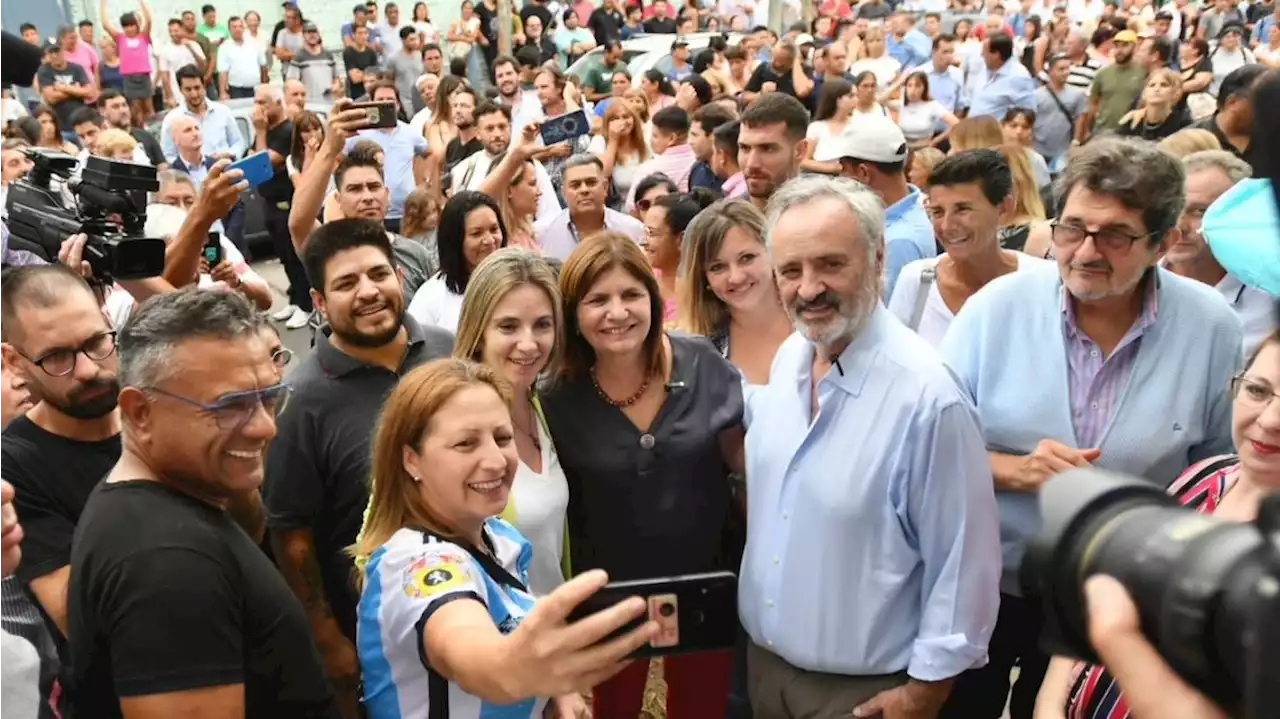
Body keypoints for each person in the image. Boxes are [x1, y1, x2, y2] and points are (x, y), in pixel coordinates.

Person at [937, 137, 1244, 719]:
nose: (1085, 251)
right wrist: (1012, 470)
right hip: (987, 586)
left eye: (1116, 235)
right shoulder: (995, 309)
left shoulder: (1212, 328)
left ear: (1164, 243)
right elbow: (926, 449)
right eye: (1072, 228)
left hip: (1120, 599)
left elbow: (1217, 473)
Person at [742, 175, 1000, 718]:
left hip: (864, 696)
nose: (808, 288)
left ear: (878, 257)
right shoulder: (792, 356)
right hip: (766, 674)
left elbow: (963, 561)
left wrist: (925, 691)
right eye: (791, 270)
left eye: (831, 264)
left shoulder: (929, 399)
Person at [64, 289, 335, 718]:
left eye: (268, 397)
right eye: (231, 407)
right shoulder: (166, 563)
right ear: (139, 412)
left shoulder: (170, 507)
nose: (265, 428)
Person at [351, 358, 659, 718]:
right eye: (466, 443)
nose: (497, 461)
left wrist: (555, 693)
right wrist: (508, 670)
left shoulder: (497, 536)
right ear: (411, 460)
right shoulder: (415, 564)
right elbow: (466, 643)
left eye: (502, 438)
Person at [541, 231, 746, 718]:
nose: (617, 313)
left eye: (631, 295)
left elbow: (745, 466)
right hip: (606, 597)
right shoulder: (555, 396)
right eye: (597, 300)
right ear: (573, 313)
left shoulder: (702, 364)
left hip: (705, 585)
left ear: (653, 299)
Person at [1035, 328, 1280, 719]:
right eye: (1258, 391)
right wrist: (1049, 704)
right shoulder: (1203, 474)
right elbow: (1098, 589)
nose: (1269, 420)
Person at [264, 219, 454, 719]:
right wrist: (329, 642)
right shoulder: (299, 402)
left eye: (378, 274)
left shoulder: (449, 351)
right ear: (319, 301)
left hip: (473, 609)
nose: (369, 292)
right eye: (347, 283)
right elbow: (292, 534)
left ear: (398, 274)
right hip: (378, 643)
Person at [450, 248, 568, 594]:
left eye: (542, 325)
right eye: (508, 326)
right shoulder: (450, 421)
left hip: (556, 633)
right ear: (478, 329)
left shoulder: (541, 406)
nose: (529, 344)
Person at [889, 149, 1049, 347]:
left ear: (1004, 207)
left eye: (963, 209)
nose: (947, 226)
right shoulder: (916, 280)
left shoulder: (1042, 281)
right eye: (937, 212)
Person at [290, 100, 437, 304]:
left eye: (373, 187)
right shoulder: (327, 247)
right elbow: (298, 222)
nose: (367, 197)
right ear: (338, 200)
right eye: (355, 189)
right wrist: (329, 149)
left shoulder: (416, 254)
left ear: (386, 194)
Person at [1166, 150, 1276, 357]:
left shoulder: (1269, 298)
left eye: (1200, 211)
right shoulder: (1132, 279)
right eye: (1174, 209)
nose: (1180, 226)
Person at [816, 117, 935, 301]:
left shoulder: (898, 242)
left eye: (843, 169)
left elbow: (887, 314)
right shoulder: (907, 214)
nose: (840, 177)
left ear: (864, 173)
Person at [677, 199, 792, 385]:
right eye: (718, 267)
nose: (736, 277)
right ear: (704, 278)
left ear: (773, 252)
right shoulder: (701, 354)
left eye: (747, 258)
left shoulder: (815, 321)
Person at [407, 192, 507, 335]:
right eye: (476, 233)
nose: (490, 240)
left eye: (494, 229)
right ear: (455, 240)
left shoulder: (518, 283)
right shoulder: (430, 298)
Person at [342, 82, 429, 234]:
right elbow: (338, 157)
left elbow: (431, 153)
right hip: (372, 212)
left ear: (397, 104)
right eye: (380, 99)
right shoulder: (359, 133)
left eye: (389, 100)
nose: (384, 104)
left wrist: (423, 182)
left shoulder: (409, 132)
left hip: (407, 213)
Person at [534, 155, 644, 260]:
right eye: (575, 185)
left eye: (591, 183)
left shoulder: (633, 231)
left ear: (605, 187)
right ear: (563, 193)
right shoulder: (542, 233)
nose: (584, 190)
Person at [642, 191, 715, 323]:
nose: (644, 242)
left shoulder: (704, 296)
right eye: (645, 232)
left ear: (682, 240)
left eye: (652, 234)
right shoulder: (641, 278)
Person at [738, 93, 809, 211]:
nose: (752, 164)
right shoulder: (722, 224)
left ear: (799, 151)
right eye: (745, 148)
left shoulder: (829, 221)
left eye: (767, 149)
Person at [159, 66, 244, 165]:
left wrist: (228, 154)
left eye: (197, 88)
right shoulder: (172, 119)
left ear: (204, 86)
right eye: (188, 89)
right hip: (192, 178)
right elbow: (168, 155)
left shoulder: (223, 111)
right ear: (180, 90)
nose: (194, 94)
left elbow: (238, 143)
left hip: (225, 171)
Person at [1079, 30, 1145, 141]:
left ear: (1135, 47)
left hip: (1130, 134)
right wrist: (1086, 130)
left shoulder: (1143, 73)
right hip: (1102, 131)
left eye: (1125, 46)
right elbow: (1093, 103)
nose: (1119, 50)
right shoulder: (1103, 73)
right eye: (1117, 46)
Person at [99, 0, 155, 126]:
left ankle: (153, 130)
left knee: (149, 108)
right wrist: (103, 4)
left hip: (144, 76)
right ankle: (139, 129)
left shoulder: (143, 37)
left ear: (136, 26)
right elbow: (105, 25)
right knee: (136, 110)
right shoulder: (120, 38)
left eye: (132, 25)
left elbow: (149, 20)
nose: (129, 29)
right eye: (126, 26)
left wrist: (141, 3)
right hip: (129, 78)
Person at [37, 43, 93, 144]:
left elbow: (89, 92)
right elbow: (51, 97)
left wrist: (63, 88)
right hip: (61, 126)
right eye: (51, 52)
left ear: (63, 51)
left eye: (57, 51)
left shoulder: (76, 68)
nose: (54, 55)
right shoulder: (44, 70)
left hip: (81, 124)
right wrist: (76, 90)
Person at [97, 89, 166, 167]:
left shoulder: (145, 136)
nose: (123, 110)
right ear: (102, 111)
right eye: (115, 107)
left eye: (124, 105)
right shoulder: (101, 143)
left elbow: (162, 165)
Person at [217, 15, 267, 100]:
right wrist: (222, 92)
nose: (237, 29)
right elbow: (223, 72)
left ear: (244, 28)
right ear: (229, 29)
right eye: (234, 27)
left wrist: (265, 86)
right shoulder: (224, 47)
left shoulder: (255, 43)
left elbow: (263, 66)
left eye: (240, 26)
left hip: (256, 87)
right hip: (236, 90)